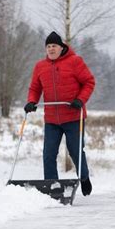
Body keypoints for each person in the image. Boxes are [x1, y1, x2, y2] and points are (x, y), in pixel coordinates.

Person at [24, 31, 95, 196]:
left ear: (61, 47)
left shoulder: (75, 62)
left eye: (53, 46)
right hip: (51, 120)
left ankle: (84, 178)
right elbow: (35, 88)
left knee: (75, 150)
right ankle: (52, 186)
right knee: (48, 153)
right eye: (48, 46)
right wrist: (31, 101)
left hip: (73, 117)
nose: (50, 49)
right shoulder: (40, 66)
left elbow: (89, 82)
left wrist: (80, 100)